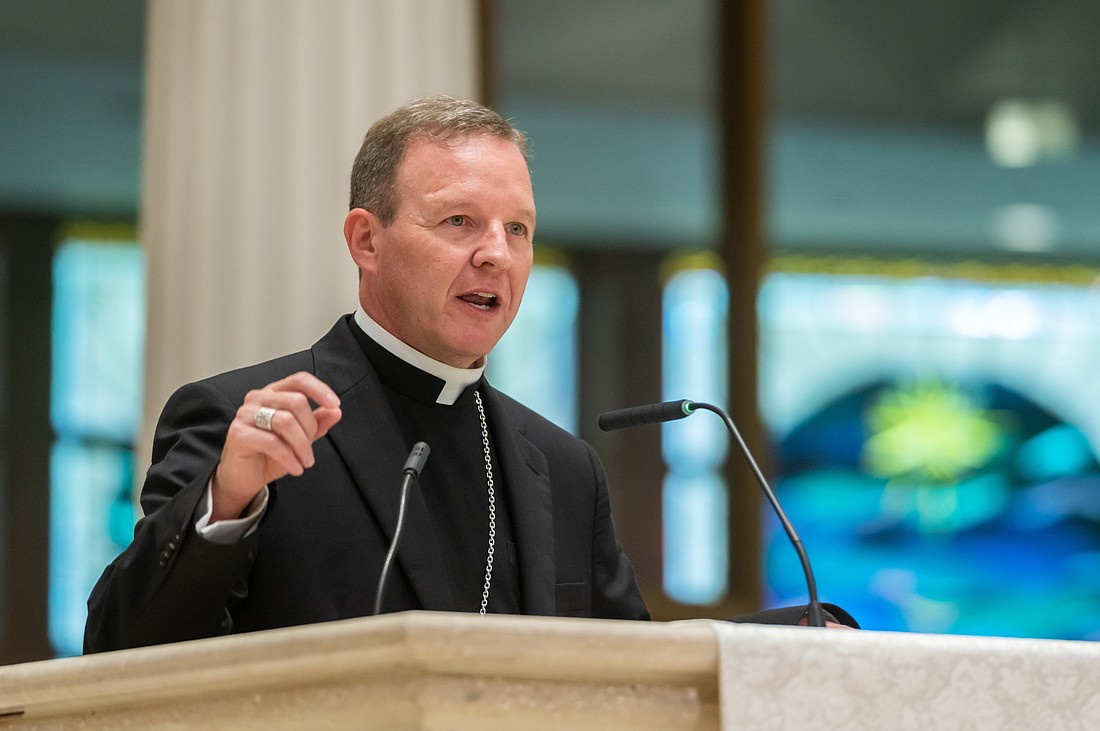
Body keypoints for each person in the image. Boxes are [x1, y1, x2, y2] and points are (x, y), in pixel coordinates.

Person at [85, 96, 851, 653]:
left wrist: (796, 638)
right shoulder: (239, 422)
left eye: (517, 229)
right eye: (459, 222)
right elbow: (119, 646)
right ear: (366, 240)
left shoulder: (560, 466)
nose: (497, 253)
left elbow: (629, 673)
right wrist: (228, 499)